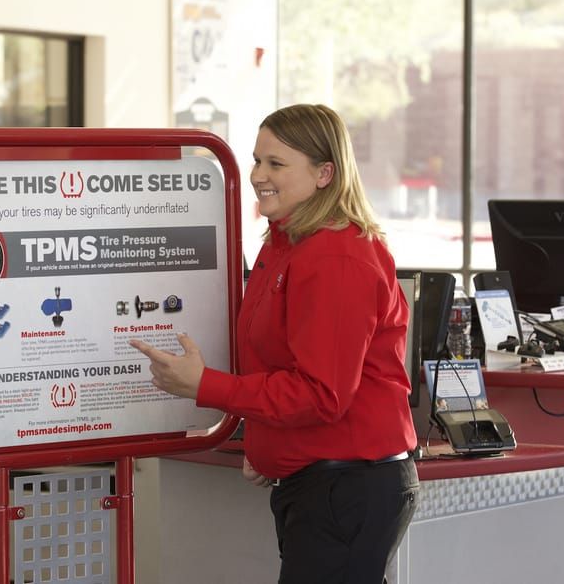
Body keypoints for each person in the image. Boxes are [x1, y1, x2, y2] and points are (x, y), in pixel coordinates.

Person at [131, 103, 419, 583]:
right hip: (320, 482)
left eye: (276, 164)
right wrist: (270, 447)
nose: (257, 175)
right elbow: (279, 363)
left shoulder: (335, 257)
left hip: (347, 486)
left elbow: (321, 394)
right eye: (257, 160)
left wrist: (205, 385)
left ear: (325, 173)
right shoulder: (285, 245)